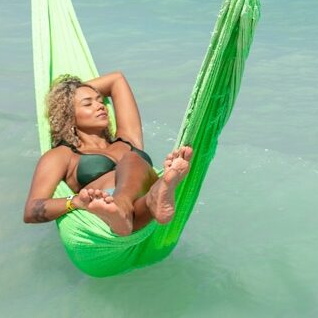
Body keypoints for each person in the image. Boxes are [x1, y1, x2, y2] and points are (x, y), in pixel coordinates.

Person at [23, 71, 193, 236]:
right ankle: (152, 194)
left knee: (132, 159)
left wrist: (73, 91)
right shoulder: (62, 155)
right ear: (68, 116)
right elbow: (32, 210)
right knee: (132, 158)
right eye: (88, 104)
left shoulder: (127, 138)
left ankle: (150, 197)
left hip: (131, 214)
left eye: (100, 100)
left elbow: (116, 79)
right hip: (103, 210)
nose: (100, 106)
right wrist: (75, 201)